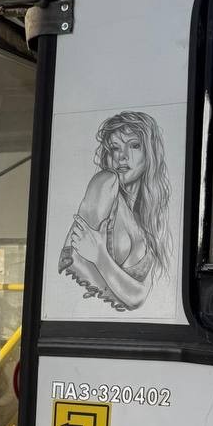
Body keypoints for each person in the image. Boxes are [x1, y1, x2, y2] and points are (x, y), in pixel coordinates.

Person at [58, 109, 172, 312]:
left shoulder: (151, 218)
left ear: (150, 153)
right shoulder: (105, 183)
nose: (122, 157)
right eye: (115, 148)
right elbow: (70, 264)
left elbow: (139, 296)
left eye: (134, 146)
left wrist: (101, 257)